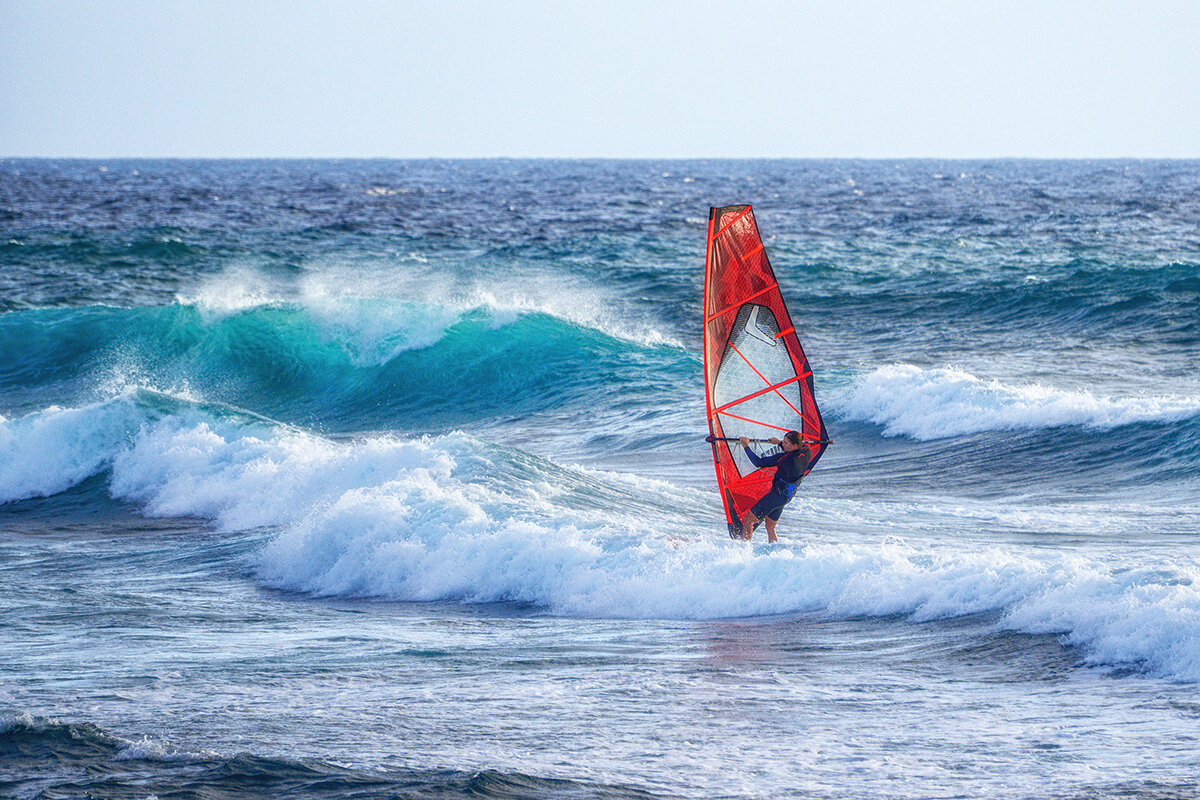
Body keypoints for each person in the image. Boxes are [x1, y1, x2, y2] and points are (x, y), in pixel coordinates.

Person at [735, 431, 810, 543]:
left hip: (777, 495)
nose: (783, 444)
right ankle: (774, 552)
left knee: (748, 521)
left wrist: (746, 446)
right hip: (787, 496)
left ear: (794, 445)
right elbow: (794, 449)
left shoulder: (785, 459)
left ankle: (744, 551)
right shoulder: (806, 450)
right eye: (783, 442)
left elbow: (758, 462)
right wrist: (779, 443)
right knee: (770, 526)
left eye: (785, 443)